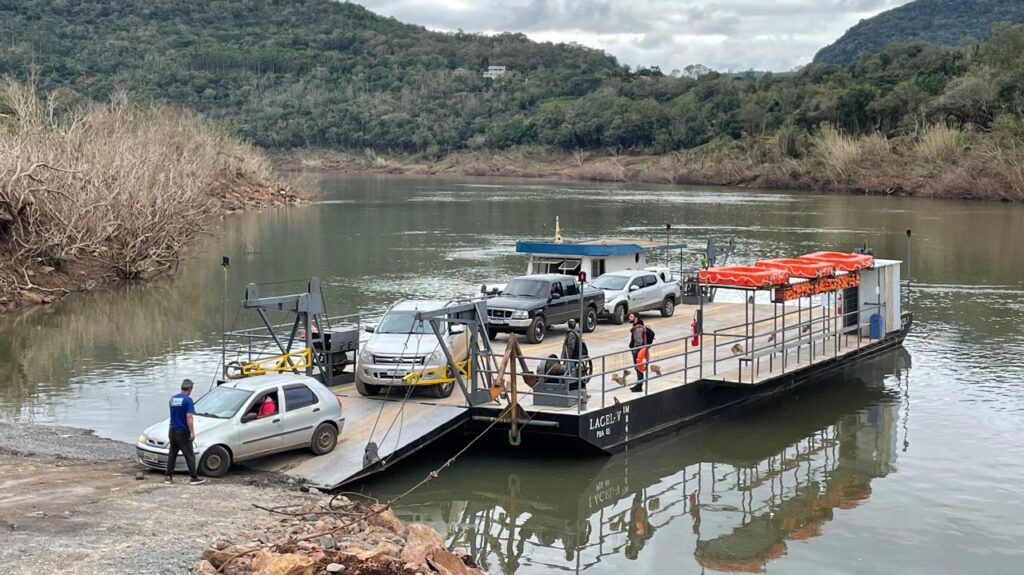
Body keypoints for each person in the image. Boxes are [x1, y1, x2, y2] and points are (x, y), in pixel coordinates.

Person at [166, 379, 206, 485]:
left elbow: (177, 412)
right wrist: (192, 432)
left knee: (172, 454)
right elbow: (188, 416)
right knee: (189, 455)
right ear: (190, 389)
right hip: (183, 431)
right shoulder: (188, 400)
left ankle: (168, 476)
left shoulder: (173, 399)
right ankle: (194, 477)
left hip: (172, 429)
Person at [628, 313, 648, 392]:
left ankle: (639, 386)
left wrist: (635, 349)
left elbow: (639, 342)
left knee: (638, 368)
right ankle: (639, 384)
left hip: (637, 350)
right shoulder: (637, 326)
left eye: (631, 316)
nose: (629, 318)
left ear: (635, 318)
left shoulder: (638, 328)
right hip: (638, 350)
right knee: (638, 368)